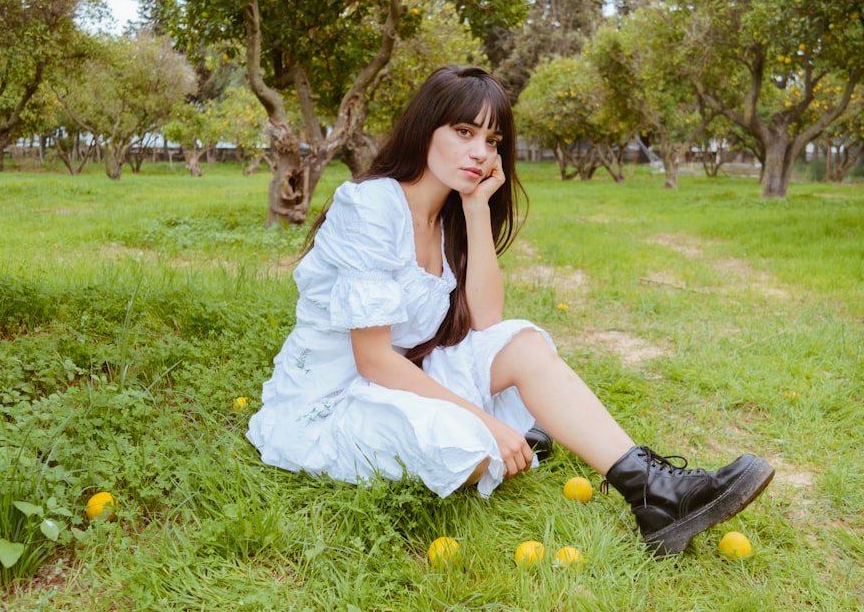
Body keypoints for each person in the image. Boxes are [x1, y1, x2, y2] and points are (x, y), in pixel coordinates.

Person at [247, 65, 773, 555]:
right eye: (463, 132)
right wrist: (485, 422)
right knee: (473, 445)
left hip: (405, 377)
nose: (480, 152)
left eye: (492, 140)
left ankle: (652, 491)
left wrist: (476, 210)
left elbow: (488, 324)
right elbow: (373, 361)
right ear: (425, 129)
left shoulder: (452, 214)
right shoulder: (371, 206)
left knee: (523, 342)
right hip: (337, 398)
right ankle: (515, 435)